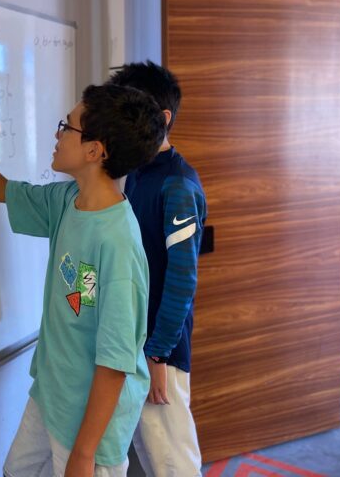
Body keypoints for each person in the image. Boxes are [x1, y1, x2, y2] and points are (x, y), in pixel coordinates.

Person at [0, 84, 166, 477]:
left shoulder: (118, 242)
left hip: (91, 429)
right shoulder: (67, 201)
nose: (57, 134)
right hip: (52, 397)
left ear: (94, 150)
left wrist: (84, 454)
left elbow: (115, 363)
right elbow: (4, 191)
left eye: (66, 127)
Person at [109, 61, 207, 477]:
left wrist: (158, 354)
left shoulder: (178, 184)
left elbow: (182, 283)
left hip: (159, 352)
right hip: (132, 344)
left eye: (128, 113)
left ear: (162, 119)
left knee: (172, 464)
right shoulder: (135, 172)